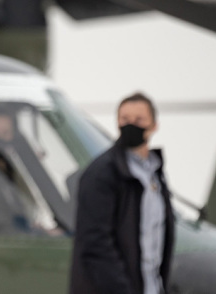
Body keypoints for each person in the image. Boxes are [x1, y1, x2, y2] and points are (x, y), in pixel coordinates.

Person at [69, 92, 175, 294]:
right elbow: (95, 244)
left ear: (154, 125)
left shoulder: (155, 174)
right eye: (125, 119)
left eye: (139, 120)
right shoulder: (102, 174)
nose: (131, 125)